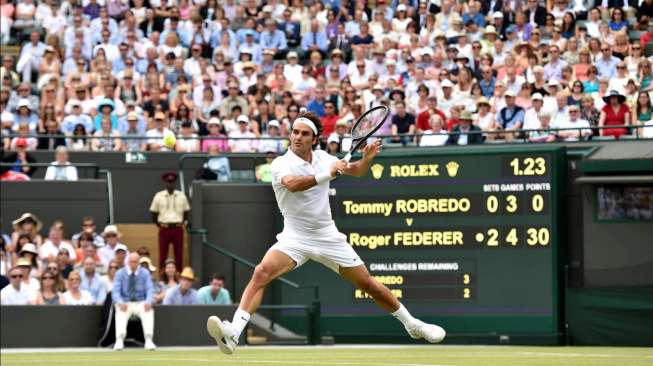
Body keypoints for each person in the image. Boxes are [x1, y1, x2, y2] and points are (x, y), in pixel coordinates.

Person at [206, 112, 445, 354]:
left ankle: (412, 324)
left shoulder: (324, 158)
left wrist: (366, 160)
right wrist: (329, 173)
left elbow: (356, 171)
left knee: (368, 284)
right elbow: (293, 185)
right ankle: (234, 332)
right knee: (261, 272)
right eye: (295, 132)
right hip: (294, 237)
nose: (297, 137)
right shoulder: (280, 163)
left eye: (304, 134)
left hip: (327, 236)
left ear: (314, 139)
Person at [112, 252, 156, 351]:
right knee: (120, 311)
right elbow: (115, 292)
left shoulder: (145, 273)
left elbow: (150, 289)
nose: (133, 264)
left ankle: (148, 340)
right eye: (131, 262)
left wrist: (149, 301)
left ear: (138, 263)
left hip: (141, 302)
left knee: (149, 311)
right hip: (125, 302)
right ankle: (119, 339)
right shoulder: (120, 273)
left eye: (135, 262)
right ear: (128, 262)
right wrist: (120, 302)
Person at [150, 171, 190, 271]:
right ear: (165, 183)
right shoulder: (158, 196)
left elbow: (186, 212)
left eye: (172, 182)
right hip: (164, 228)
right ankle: (162, 278)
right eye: (168, 182)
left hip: (177, 228)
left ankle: (180, 277)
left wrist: (181, 222)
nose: (170, 184)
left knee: (179, 255)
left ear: (175, 183)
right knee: (162, 254)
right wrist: (161, 225)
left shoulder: (181, 196)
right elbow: (154, 213)